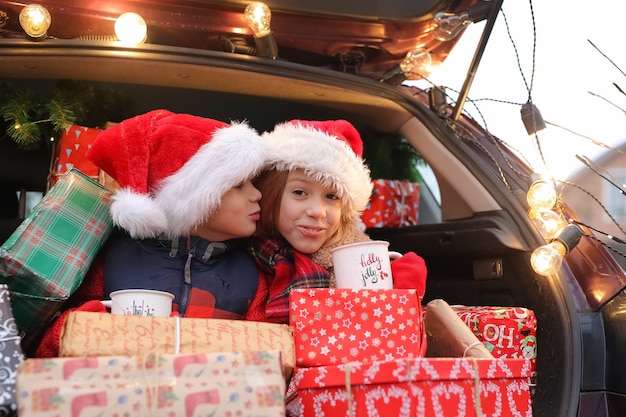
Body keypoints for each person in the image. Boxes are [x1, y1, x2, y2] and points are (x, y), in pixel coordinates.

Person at [84, 109, 267, 319]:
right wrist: (92, 320)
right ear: (192, 198)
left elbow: (268, 345)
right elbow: (57, 338)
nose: (257, 194)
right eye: (239, 185)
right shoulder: (112, 259)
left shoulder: (252, 273)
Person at [245, 119, 427, 324]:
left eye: (331, 197)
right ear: (271, 195)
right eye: (299, 192)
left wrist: (399, 293)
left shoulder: (361, 260)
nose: (317, 211)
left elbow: (378, 328)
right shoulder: (244, 254)